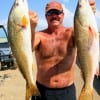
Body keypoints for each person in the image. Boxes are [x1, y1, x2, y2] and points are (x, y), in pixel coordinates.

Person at [29, 0, 96, 100]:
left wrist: (88, 12)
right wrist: (30, 28)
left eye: (57, 12)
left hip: (67, 92)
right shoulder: (39, 36)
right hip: (42, 90)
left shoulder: (72, 33)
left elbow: (86, 33)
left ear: (63, 15)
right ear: (46, 16)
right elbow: (26, 49)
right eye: (50, 13)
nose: (54, 16)